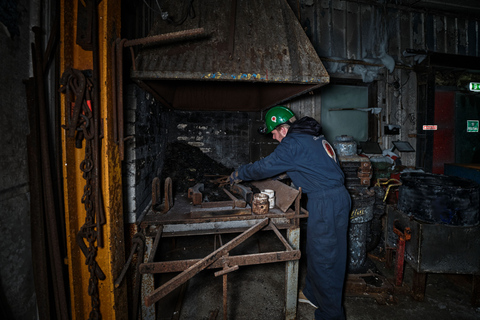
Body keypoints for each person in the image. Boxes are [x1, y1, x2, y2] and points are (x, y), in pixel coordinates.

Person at [229, 106, 351, 320]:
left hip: (326, 202)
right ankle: (314, 294)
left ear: (282, 128)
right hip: (334, 199)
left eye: (274, 133)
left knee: (326, 259)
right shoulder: (313, 137)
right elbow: (313, 165)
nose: (274, 138)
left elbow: (263, 167)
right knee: (319, 251)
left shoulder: (292, 143)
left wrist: (241, 171)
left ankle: (331, 315)